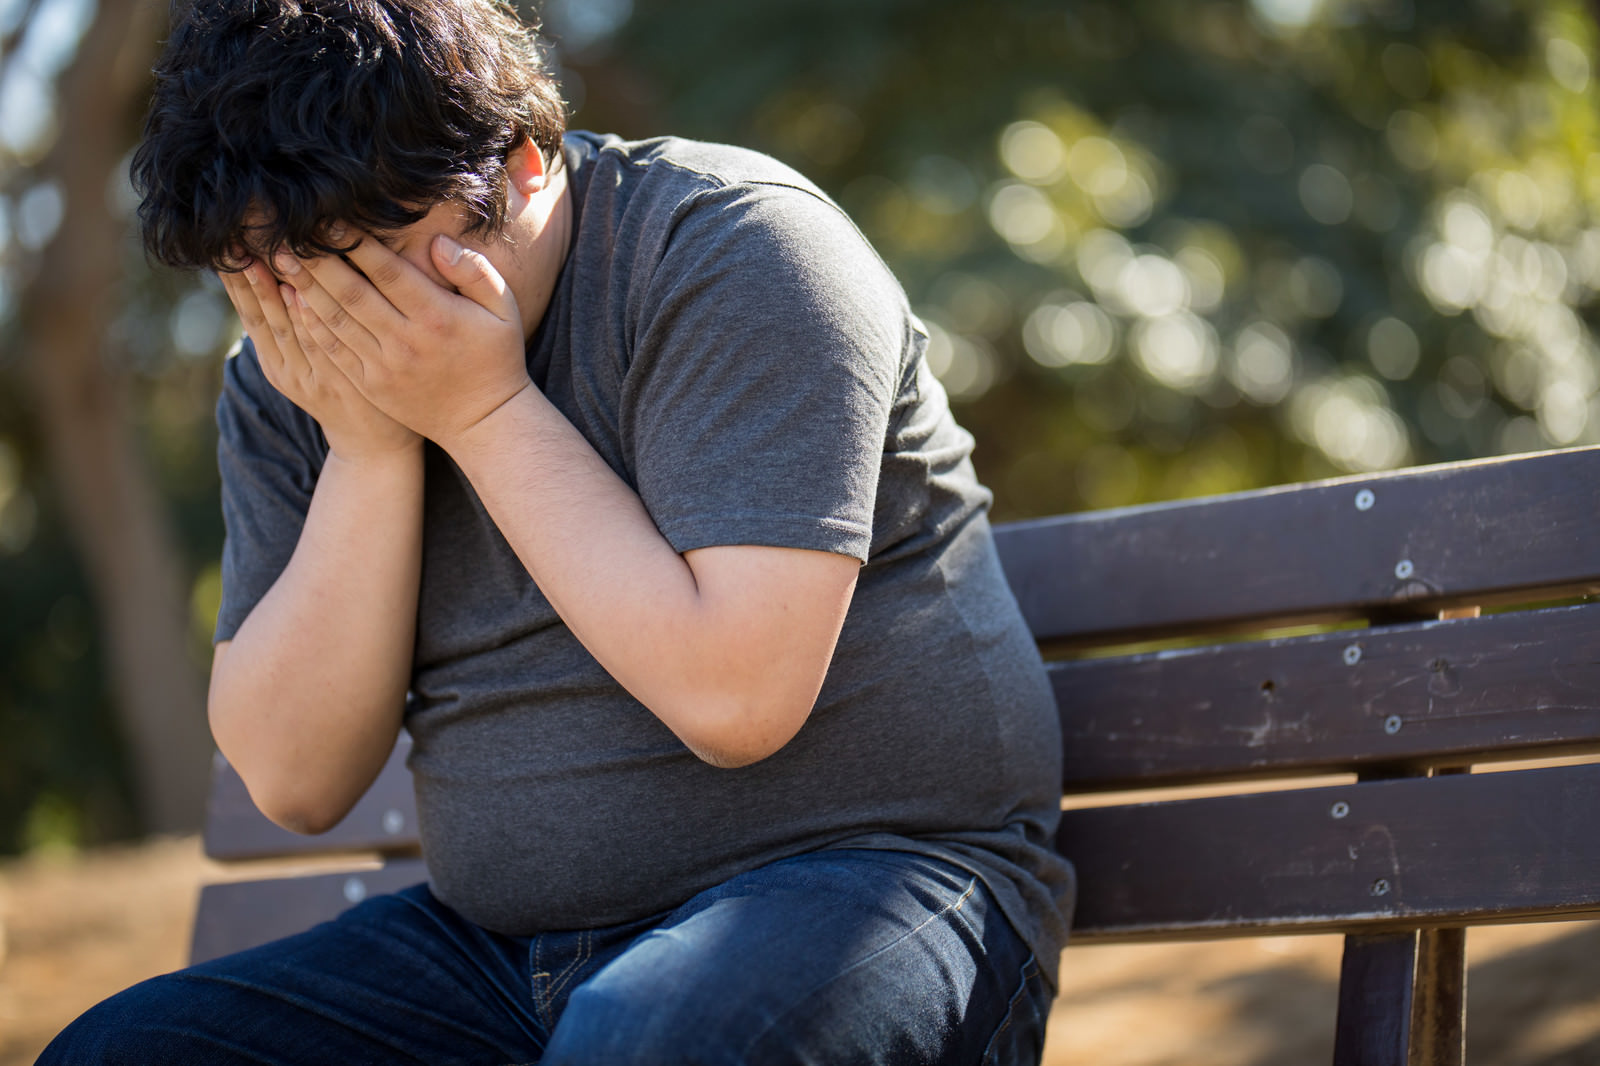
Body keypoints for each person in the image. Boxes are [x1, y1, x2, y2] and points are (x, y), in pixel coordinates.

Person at [41, 0, 1074, 1061]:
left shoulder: (736, 251)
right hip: (496, 954)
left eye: (382, 256)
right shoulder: (292, 368)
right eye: (286, 274)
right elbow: (296, 779)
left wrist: (482, 412)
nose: (344, 312)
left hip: (878, 881)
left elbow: (737, 695)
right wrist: (369, 447)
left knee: (644, 1039)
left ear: (526, 169)